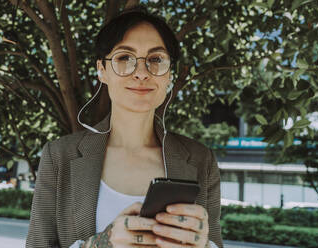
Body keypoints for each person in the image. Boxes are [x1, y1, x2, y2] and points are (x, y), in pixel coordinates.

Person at [26, 6, 223, 248]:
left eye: (156, 60)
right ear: (102, 70)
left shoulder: (201, 160)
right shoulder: (59, 157)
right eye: (124, 58)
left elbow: (214, 242)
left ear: (169, 74)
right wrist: (101, 244)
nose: (141, 73)